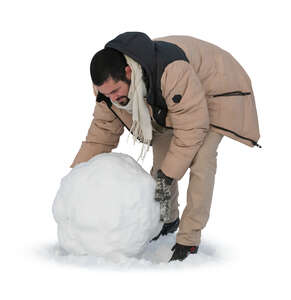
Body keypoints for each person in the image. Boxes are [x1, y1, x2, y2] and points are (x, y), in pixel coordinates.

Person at [70, 32, 261, 262]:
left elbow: (192, 129)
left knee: (201, 161)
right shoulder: (110, 92)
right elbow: (101, 133)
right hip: (176, 101)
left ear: (128, 73)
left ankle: (189, 238)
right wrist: (75, 178)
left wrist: (169, 174)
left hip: (217, 89)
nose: (112, 98)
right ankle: (167, 219)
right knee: (162, 163)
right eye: (105, 93)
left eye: (115, 91)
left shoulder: (171, 73)